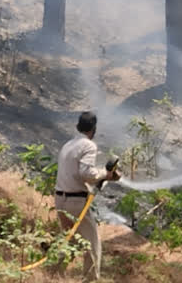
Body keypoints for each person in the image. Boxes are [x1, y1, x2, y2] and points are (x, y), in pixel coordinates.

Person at [54, 111, 120, 281]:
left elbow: (75, 172)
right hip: (75, 201)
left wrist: (101, 176)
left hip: (60, 199)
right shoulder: (88, 145)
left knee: (69, 240)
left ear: (78, 126)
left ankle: (53, 273)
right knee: (92, 243)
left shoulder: (68, 144)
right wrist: (105, 174)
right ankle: (90, 279)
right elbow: (86, 173)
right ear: (93, 129)